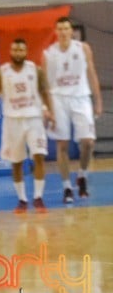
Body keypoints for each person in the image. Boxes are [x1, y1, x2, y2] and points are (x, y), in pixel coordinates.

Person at [0, 38, 56, 213]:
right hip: (12, 121)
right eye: (15, 50)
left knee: (39, 156)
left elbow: (45, 92)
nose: (18, 53)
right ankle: (22, 199)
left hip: (34, 119)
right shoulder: (2, 72)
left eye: (21, 50)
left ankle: (38, 197)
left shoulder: (35, 70)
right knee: (16, 162)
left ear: (26, 52)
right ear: (11, 52)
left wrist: (51, 112)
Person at [43, 15, 103, 203]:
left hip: (81, 97)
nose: (62, 32)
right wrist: (46, 107)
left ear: (71, 31)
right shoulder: (48, 54)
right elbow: (44, 83)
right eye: (59, 29)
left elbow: (91, 74)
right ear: (55, 32)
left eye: (65, 28)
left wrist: (98, 100)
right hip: (58, 99)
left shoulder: (83, 49)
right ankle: (67, 187)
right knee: (62, 145)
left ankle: (82, 175)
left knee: (88, 142)